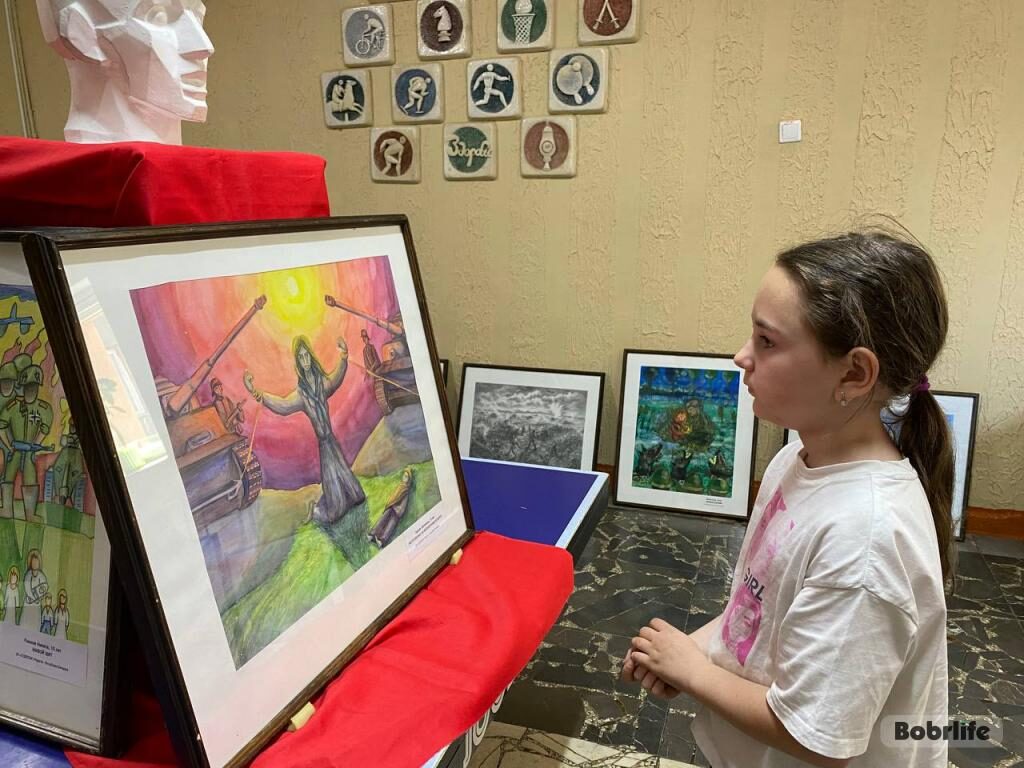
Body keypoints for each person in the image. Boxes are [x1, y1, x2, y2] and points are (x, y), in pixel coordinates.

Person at [622, 229, 952, 767]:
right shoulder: (795, 459)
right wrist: (692, 651)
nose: (741, 356)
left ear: (854, 373)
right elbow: (754, 611)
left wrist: (694, 672)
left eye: (767, 341)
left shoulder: (866, 544)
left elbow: (815, 740)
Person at [244, 336, 366, 526]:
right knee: (335, 507)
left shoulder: (321, 382)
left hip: (331, 441)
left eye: (306, 355)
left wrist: (343, 356)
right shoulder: (301, 394)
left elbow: (336, 379)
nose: (305, 360)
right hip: (324, 443)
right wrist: (258, 394)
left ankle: (343, 498)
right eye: (301, 357)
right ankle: (321, 510)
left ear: (311, 356)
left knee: (355, 493)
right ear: (298, 363)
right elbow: (284, 405)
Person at [22, 549, 48, 631]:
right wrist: (33, 597)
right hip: (28, 604)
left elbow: (44, 588)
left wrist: (38, 597)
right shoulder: (28, 575)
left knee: (35, 626)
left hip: (36, 605)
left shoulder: (42, 576)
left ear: (39, 563)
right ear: (30, 563)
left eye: (36, 562)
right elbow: (27, 589)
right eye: (33, 562)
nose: (34, 564)